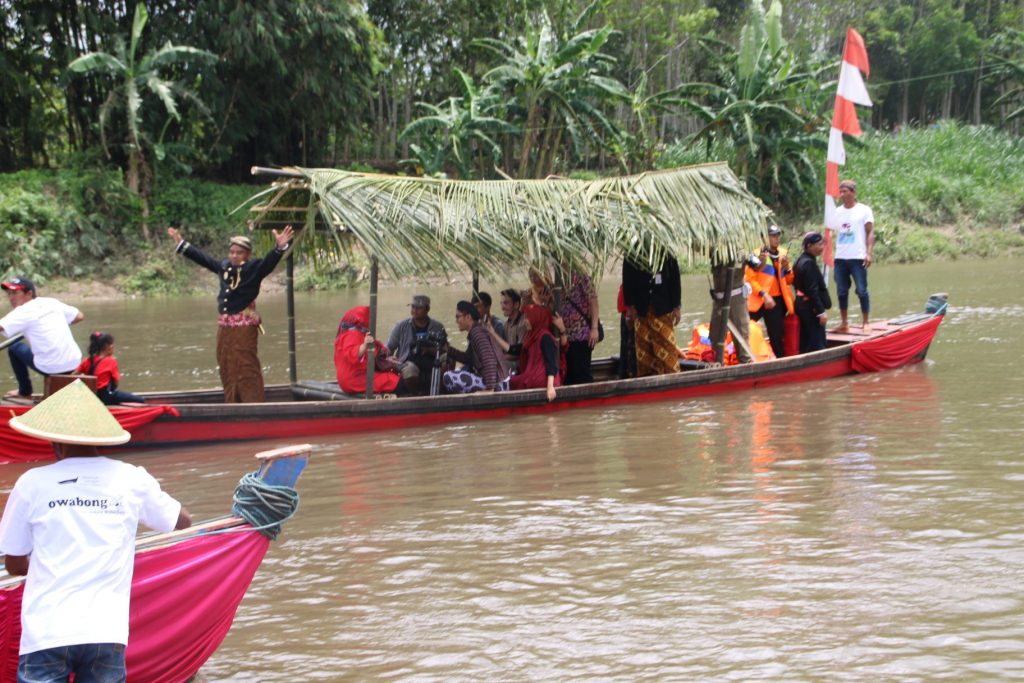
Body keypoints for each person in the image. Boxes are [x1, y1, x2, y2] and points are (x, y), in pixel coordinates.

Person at [0, 379, 191, 683]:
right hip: (106, 631)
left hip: (47, 630)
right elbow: (181, 521)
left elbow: (14, 563)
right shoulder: (130, 479)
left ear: (54, 443)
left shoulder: (31, 483)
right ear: (100, 440)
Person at [167, 225, 294, 403]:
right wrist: (181, 243)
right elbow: (204, 260)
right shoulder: (224, 267)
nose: (234, 256)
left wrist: (279, 248)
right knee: (226, 364)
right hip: (225, 327)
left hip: (244, 327)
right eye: (232, 252)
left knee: (246, 366)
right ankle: (233, 402)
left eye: (239, 253)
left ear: (247, 254)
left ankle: (253, 404)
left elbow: (268, 263)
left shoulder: (253, 269)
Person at [0, 276, 84, 400]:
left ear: (29, 293)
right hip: (74, 363)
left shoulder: (23, 311)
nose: (11, 298)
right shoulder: (50, 302)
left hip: (50, 368)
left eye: (15, 293)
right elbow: (79, 316)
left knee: (14, 348)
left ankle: (24, 391)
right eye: (9, 293)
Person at [622, 254, 681, 376]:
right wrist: (630, 306)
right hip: (641, 310)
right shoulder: (632, 250)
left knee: (667, 351)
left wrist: (676, 306)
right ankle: (648, 381)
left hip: (662, 308)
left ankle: (672, 380)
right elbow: (627, 279)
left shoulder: (666, 249)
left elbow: (675, 278)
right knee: (644, 354)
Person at [829, 179, 874, 332]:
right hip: (840, 258)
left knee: (862, 290)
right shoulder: (837, 212)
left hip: (858, 257)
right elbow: (830, 232)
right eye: (840, 191)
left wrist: (868, 253)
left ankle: (866, 322)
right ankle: (844, 323)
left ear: (853, 193)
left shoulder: (864, 210)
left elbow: (870, 232)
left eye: (845, 191)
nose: (842, 194)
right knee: (841, 291)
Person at [746, 224, 795, 358]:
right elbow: (750, 279)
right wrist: (763, 294)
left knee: (777, 336)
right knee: (745, 329)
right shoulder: (755, 255)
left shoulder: (783, 253)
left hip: (777, 301)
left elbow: (790, 280)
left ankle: (779, 361)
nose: (777, 238)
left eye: (778, 235)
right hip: (759, 299)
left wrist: (788, 269)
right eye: (773, 236)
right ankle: (744, 357)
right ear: (764, 238)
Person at [385, 295, 447, 395]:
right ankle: (415, 394)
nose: (414, 310)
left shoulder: (438, 326)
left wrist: (431, 350)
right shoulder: (401, 326)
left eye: (418, 308)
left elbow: (445, 348)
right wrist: (386, 358)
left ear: (427, 309)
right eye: (413, 307)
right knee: (411, 369)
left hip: (432, 359)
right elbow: (389, 347)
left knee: (449, 358)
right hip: (407, 360)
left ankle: (442, 390)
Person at [333, 306, 403, 395]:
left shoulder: (351, 334)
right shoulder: (352, 335)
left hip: (352, 378)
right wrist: (364, 345)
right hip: (355, 379)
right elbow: (353, 354)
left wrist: (386, 359)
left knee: (393, 377)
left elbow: (374, 354)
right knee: (397, 381)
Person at [443, 301, 509, 393]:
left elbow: (489, 360)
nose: (456, 321)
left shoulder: (477, 333)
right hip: (495, 382)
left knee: (449, 377)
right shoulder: (475, 332)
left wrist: (490, 389)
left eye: (458, 317)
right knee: (457, 372)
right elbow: (468, 359)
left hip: (498, 384)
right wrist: (448, 350)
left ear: (468, 317)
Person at [75, 331, 146, 405]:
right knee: (141, 400)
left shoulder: (87, 361)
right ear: (108, 347)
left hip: (91, 396)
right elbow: (115, 383)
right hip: (106, 397)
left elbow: (73, 376)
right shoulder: (111, 361)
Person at [509, 304, 560, 402]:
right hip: (532, 375)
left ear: (536, 319)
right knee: (509, 381)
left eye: (527, 318)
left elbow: (551, 363)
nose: (525, 322)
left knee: (509, 382)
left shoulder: (545, 337)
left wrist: (550, 387)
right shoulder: (532, 336)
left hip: (542, 379)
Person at [793, 232, 832, 353]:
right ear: (809, 246)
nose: (822, 247)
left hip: (801, 303)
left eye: (822, 244)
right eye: (819, 244)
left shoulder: (800, 260)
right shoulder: (809, 263)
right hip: (810, 306)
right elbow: (812, 290)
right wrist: (820, 312)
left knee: (805, 339)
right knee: (817, 340)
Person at [558, 269, 600, 384]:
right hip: (566, 336)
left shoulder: (582, 276)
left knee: (581, 373)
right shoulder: (559, 278)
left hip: (581, 334)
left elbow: (593, 302)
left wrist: (594, 328)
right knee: (568, 374)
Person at [709, 258, 753, 364]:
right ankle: (718, 366)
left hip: (736, 299)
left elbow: (757, 265)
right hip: (719, 301)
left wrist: (762, 258)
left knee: (741, 336)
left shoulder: (741, 250)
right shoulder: (714, 249)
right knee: (715, 336)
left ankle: (746, 366)